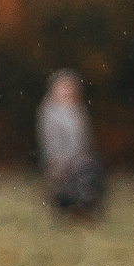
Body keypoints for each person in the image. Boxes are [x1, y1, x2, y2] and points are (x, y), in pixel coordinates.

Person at [38, 71, 104, 221]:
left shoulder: (78, 111)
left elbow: (84, 140)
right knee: (74, 175)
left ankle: (85, 210)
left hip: (78, 159)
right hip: (60, 160)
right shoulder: (49, 112)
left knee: (90, 169)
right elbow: (50, 142)